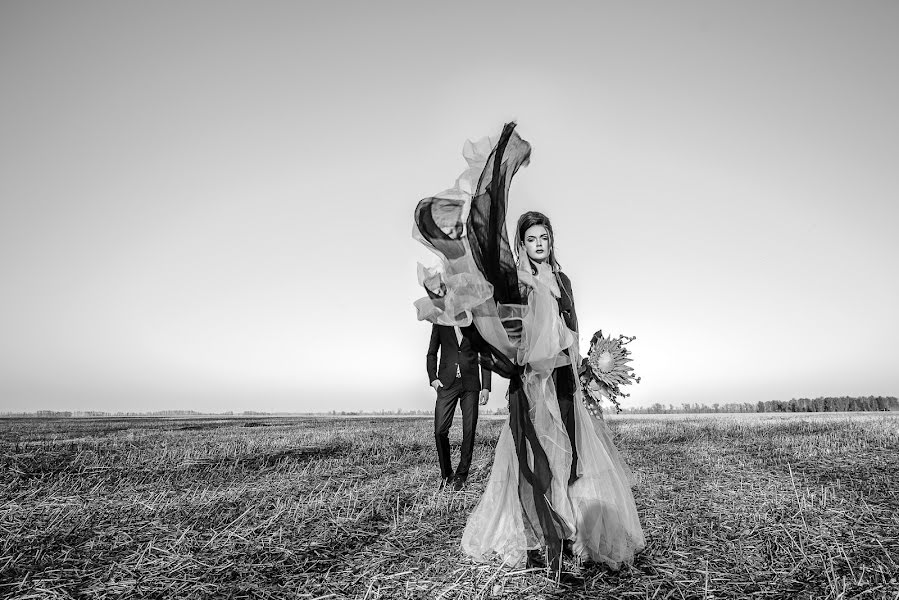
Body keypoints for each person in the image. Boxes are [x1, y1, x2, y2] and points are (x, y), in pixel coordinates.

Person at [412, 122, 645, 574]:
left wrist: (586, 374)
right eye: (532, 240)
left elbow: (571, 329)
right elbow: (502, 327)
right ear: (522, 245)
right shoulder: (515, 284)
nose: (540, 246)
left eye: (545, 239)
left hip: (563, 382)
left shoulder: (563, 282)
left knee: (573, 456)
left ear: (552, 242)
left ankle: (576, 531)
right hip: (530, 385)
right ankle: (539, 531)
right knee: (531, 459)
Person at [427, 324, 491, 491]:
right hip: (446, 383)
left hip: (471, 384)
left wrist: (486, 386)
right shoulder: (440, 322)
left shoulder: (476, 322)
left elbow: (485, 355)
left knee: (469, 430)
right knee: (440, 430)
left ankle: (461, 475)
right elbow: (432, 353)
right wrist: (433, 378)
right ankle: (447, 474)